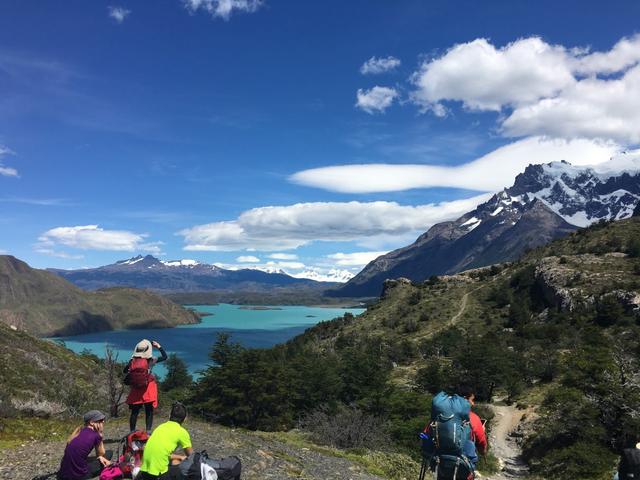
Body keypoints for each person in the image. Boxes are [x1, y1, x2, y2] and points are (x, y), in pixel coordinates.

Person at [138, 402, 193, 480]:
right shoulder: (182, 432)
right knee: (184, 468)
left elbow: (161, 452)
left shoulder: (160, 427)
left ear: (169, 416)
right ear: (185, 419)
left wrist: (180, 457)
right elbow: (191, 456)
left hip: (144, 469)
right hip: (158, 473)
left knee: (175, 461)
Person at [124, 339, 167, 433]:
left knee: (134, 412)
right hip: (148, 388)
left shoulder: (132, 361)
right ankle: (148, 431)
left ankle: (132, 432)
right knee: (149, 410)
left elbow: (125, 371)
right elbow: (164, 357)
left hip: (136, 389)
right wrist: (159, 346)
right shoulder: (151, 360)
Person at [57, 410, 113, 480]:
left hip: (63, 474)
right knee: (109, 453)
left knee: (85, 458)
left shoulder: (78, 431)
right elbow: (101, 454)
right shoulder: (96, 435)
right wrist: (100, 434)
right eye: (100, 420)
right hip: (80, 476)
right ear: (92, 422)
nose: (103, 422)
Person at [456, 385, 488, 468]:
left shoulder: (443, 414)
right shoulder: (473, 418)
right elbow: (482, 448)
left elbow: (426, 434)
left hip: (441, 466)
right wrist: (482, 431)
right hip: (462, 468)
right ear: (465, 399)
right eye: (472, 400)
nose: (473, 404)